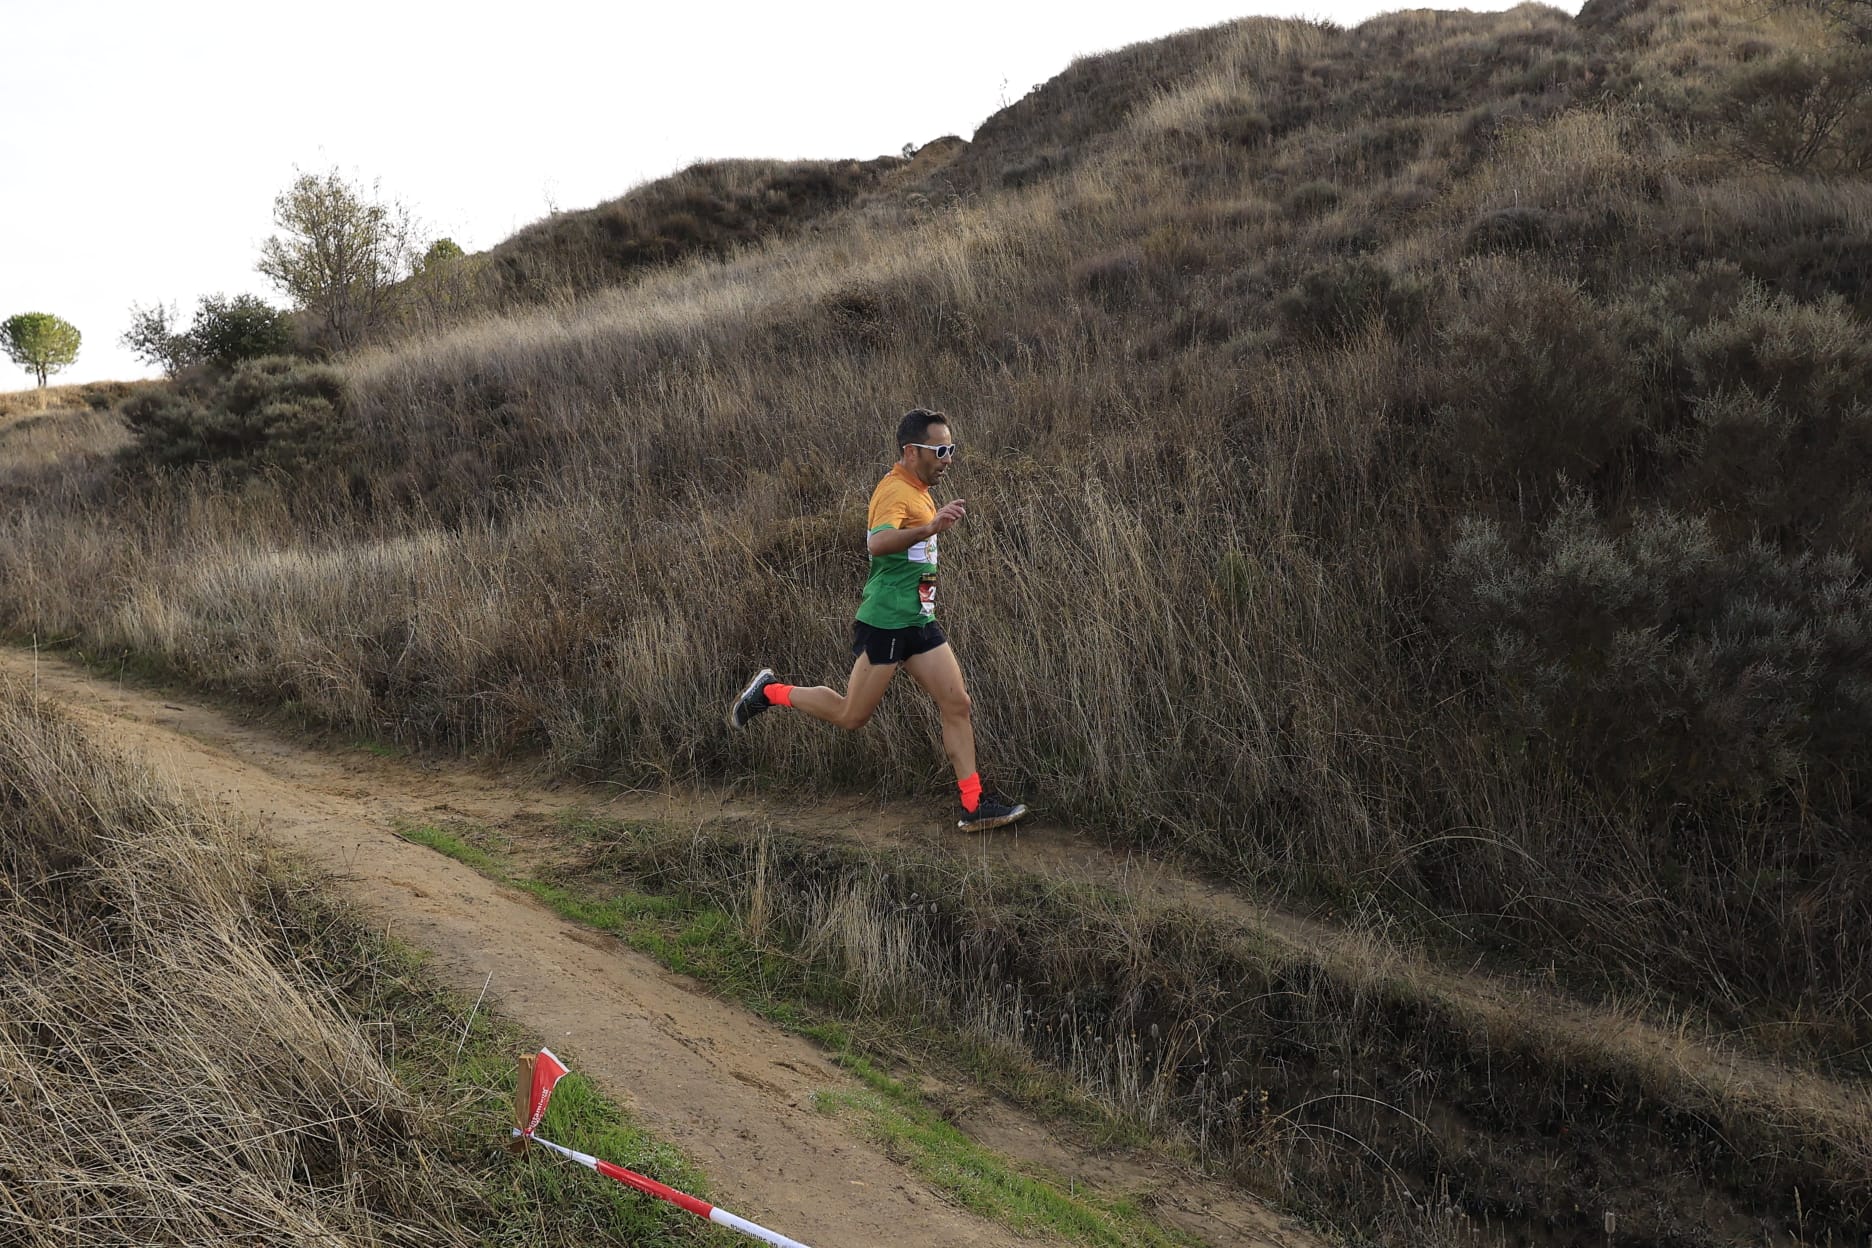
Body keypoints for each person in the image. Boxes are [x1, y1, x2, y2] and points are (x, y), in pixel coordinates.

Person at [727, 408, 1028, 832]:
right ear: (911, 451)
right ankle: (770, 692)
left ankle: (974, 804)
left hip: (920, 620)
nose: (948, 458)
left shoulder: (921, 489)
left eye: (952, 448)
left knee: (957, 703)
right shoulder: (894, 491)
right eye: (940, 449)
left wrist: (931, 528)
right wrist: (930, 529)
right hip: (887, 622)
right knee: (852, 716)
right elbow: (877, 543)